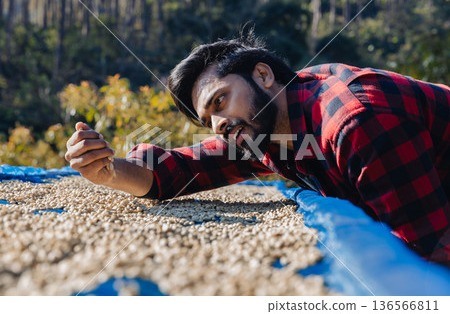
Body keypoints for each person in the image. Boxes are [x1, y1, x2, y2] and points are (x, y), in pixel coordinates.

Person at [65, 34, 450, 266]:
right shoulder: (264, 128)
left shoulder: (353, 123)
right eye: (208, 120)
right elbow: (178, 171)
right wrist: (110, 171)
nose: (218, 125)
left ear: (263, 75)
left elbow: (432, 252)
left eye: (220, 101)